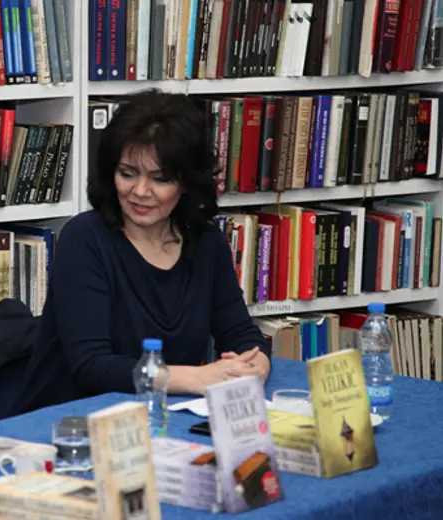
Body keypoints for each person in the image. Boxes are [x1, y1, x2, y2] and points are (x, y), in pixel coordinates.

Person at [14, 90, 271, 414]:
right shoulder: (83, 239)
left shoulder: (206, 242)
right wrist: (197, 378)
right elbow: (92, 366)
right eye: (127, 173)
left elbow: (241, 334)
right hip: (70, 421)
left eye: (160, 179)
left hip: (165, 416)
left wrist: (255, 367)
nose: (140, 191)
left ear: (187, 182)